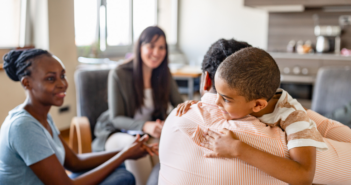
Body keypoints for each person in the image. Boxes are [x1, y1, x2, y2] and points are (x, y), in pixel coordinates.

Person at [158, 38, 351, 185]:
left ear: (205, 79)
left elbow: (304, 174)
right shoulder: (274, 142)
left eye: (225, 98)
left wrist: (237, 148)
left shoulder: (175, 117)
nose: (217, 103)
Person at [0, 49, 159, 185]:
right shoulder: (23, 126)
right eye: (51, 78)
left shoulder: (42, 117)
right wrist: (124, 155)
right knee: (124, 177)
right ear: (27, 83)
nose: (62, 83)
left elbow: (74, 162)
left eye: (63, 75)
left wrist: (126, 151)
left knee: (120, 169)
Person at [93, 26, 183, 185]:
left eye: (161, 47)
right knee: (134, 146)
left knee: (162, 143)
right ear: (140, 47)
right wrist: (144, 125)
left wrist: (166, 123)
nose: (156, 52)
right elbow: (116, 118)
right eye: (151, 46)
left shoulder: (164, 73)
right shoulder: (119, 74)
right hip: (116, 132)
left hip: (147, 133)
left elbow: (179, 106)